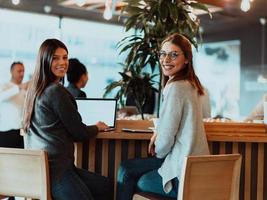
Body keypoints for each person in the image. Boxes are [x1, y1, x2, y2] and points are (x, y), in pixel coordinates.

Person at [116, 33, 210, 200]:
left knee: (131, 175)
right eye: (163, 54)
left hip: (181, 172)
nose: (166, 59)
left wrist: (158, 144)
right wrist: (159, 133)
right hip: (196, 168)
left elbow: (163, 145)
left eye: (174, 54)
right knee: (128, 169)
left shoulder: (175, 87)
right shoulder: (191, 84)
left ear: (187, 59)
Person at [22, 39, 113, 200]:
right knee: (106, 188)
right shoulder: (56, 91)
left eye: (65, 57)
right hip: (57, 171)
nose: (62, 62)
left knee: (104, 186)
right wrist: (97, 127)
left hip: (38, 171)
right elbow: (79, 133)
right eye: (56, 58)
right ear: (45, 60)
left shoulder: (33, 90)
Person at [0, 61, 28, 148]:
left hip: (21, 132)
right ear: (12, 72)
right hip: (6, 132)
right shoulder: (4, 86)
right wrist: (19, 87)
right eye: (19, 71)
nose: (22, 74)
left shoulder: (24, 91)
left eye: (23, 71)